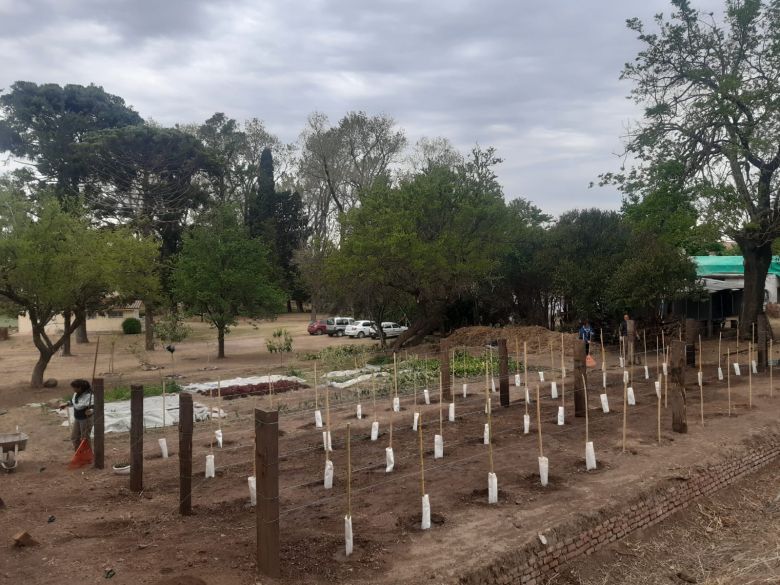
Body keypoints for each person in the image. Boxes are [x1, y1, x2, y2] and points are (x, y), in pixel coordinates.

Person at [60, 379, 94, 451]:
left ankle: (87, 454)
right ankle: (78, 453)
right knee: (74, 437)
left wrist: (91, 410)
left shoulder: (90, 396)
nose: (73, 389)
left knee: (85, 438)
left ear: (80, 388)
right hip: (78, 418)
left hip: (86, 419)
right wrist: (66, 404)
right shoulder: (77, 394)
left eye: (75, 387)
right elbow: (74, 402)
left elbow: (96, 406)